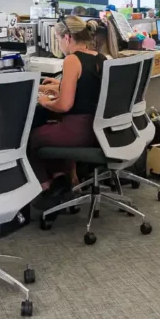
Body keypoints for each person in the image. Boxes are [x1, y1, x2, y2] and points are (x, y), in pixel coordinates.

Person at [28, 16, 104, 201]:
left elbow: (64, 105)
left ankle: (48, 190)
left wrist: (45, 101)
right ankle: (65, 180)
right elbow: (87, 88)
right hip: (98, 129)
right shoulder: (99, 57)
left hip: (78, 131)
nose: (59, 44)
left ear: (68, 38)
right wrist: (58, 86)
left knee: (29, 140)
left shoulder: (72, 60)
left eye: (58, 39)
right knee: (51, 130)